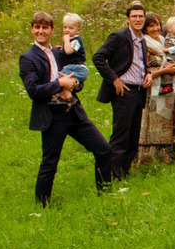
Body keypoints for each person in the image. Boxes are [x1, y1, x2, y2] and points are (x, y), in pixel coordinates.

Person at [20, 11, 111, 206]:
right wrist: (60, 83)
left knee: (103, 149)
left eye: (45, 27)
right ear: (32, 30)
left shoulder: (60, 52)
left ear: (52, 30)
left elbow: (76, 79)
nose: (41, 31)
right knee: (50, 163)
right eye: (37, 27)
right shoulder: (28, 58)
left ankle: (106, 196)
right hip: (52, 116)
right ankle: (42, 206)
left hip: (73, 111)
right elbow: (34, 91)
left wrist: (75, 84)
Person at [93, 2, 152, 180]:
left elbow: (139, 63)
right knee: (121, 136)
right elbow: (98, 57)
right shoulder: (118, 37)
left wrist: (148, 73)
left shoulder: (142, 40)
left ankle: (123, 173)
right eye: (134, 16)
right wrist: (114, 80)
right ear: (128, 19)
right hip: (124, 92)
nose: (138, 19)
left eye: (141, 16)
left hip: (139, 92)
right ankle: (112, 175)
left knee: (133, 138)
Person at [135, 13, 175, 165]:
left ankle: (166, 158)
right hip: (151, 91)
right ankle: (147, 158)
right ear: (145, 28)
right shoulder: (144, 43)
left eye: (157, 25)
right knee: (151, 123)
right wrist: (164, 71)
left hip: (167, 89)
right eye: (151, 26)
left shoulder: (164, 41)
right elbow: (141, 72)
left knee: (166, 122)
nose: (155, 28)